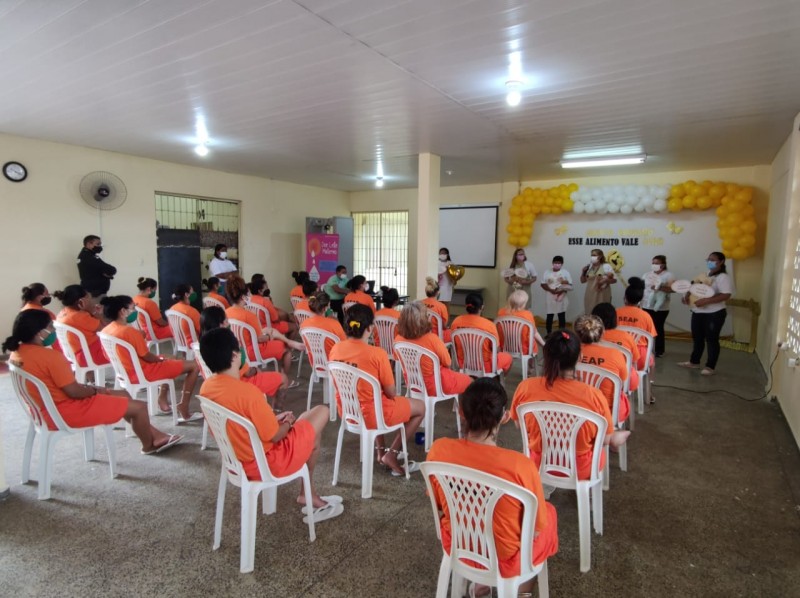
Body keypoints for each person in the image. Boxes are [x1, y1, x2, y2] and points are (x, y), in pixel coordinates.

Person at [427, 378, 558, 594]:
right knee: (549, 514)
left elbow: (439, 504)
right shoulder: (520, 466)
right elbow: (535, 529)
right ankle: (521, 592)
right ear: (504, 417)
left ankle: (481, 584)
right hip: (505, 554)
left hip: (459, 542)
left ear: (461, 412)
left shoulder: (438, 450)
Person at [199, 327, 343, 522]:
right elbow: (275, 436)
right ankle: (307, 493)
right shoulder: (248, 393)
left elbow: (242, 424)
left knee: (310, 428)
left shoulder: (207, 388)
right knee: (321, 412)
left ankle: (308, 493)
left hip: (237, 461)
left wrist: (274, 420)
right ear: (234, 355)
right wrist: (288, 423)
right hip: (268, 462)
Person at [4, 310, 182, 454]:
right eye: (50, 327)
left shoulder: (17, 353)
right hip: (65, 411)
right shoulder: (50, 357)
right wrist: (96, 390)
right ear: (39, 332)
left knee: (124, 394)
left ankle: (155, 435)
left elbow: (68, 388)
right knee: (140, 407)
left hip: (44, 410)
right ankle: (149, 446)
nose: (53, 330)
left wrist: (94, 389)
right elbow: (74, 392)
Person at [510, 330, 629, 480]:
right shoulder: (594, 395)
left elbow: (518, 425)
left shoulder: (525, 387)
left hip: (537, 463)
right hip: (581, 468)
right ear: (579, 357)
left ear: (545, 356)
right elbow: (605, 441)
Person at [329, 304, 425, 476]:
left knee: (372, 399)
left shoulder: (335, 349)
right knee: (420, 407)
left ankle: (381, 452)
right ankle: (391, 454)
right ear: (369, 328)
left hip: (348, 412)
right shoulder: (377, 354)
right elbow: (391, 393)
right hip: (374, 414)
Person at [100, 295, 202, 422]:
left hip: (126, 372)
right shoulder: (129, 332)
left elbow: (107, 356)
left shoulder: (105, 331)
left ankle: (162, 399)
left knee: (169, 357)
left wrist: (163, 359)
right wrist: (161, 360)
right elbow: (147, 356)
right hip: (144, 372)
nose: (135, 311)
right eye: (133, 308)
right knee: (194, 365)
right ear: (123, 311)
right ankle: (184, 406)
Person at [200, 306, 289, 408]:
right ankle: (277, 412)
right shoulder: (229, 345)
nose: (228, 323)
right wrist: (255, 370)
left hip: (217, 384)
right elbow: (247, 372)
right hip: (239, 384)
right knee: (283, 379)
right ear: (221, 324)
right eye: (226, 320)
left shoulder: (201, 345)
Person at [225, 275, 303, 387]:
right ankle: (285, 380)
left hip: (237, 351)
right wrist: (270, 335)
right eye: (248, 293)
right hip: (252, 351)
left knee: (273, 334)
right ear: (243, 296)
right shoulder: (249, 315)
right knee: (286, 350)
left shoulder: (226, 312)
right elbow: (260, 339)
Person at [394, 302, 471, 397]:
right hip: (435, 385)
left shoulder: (398, 340)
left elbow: (397, 359)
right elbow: (448, 362)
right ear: (423, 320)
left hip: (413, 385)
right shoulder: (432, 339)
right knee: (471, 381)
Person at [679, 251, 734, 375]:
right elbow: (694, 287)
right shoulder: (705, 274)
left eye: (713, 260)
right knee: (697, 338)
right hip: (698, 311)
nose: (709, 262)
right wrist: (687, 296)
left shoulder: (723, 277)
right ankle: (694, 362)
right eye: (708, 259)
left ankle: (710, 366)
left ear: (721, 262)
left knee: (711, 339)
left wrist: (707, 301)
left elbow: (726, 295)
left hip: (714, 313)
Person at [573, 314, 631, 424]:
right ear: (602, 332)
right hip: (608, 412)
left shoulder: (569, 353)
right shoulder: (615, 354)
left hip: (575, 409)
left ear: (576, 333)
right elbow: (622, 383)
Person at [450, 293, 512, 375]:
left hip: (462, 363)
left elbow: (455, 345)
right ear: (482, 307)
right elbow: (496, 350)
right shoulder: (489, 325)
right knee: (509, 358)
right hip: (486, 366)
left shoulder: (456, 322)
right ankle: (497, 380)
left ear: (466, 306)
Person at [592, 303, 640, 395]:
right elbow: (634, 361)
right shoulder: (626, 337)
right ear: (615, 319)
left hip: (589, 385)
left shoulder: (587, 339)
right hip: (619, 384)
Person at [55, 285, 109, 367]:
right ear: (81, 301)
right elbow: (106, 329)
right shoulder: (79, 316)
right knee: (123, 349)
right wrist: (92, 310)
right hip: (89, 355)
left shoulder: (63, 313)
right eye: (88, 298)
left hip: (75, 354)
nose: (90, 301)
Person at [616, 278, 657, 370]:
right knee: (651, 363)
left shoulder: (615, 313)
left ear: (625, 297)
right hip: (640, 357)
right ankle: (645, 378)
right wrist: (651, 355)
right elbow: (651, 339)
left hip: (618, 353)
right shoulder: (646, 316)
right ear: (640, 299)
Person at [496, 290, 545, 363]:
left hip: (504, 347)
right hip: (524, 349)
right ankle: (531, 366)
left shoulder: (501, 312)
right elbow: (534, 332)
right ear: (523, 305)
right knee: (532, 337)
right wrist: (543, 344)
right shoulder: (527, 314)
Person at [642, 255, 675, 357]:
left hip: (661, 308)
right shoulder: (647, 274)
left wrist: (660, 287)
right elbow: (642, 288)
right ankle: (645, 349)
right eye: (653, 263)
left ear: (663, 265)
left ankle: (659, 351)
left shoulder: (669, 275)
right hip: (646, 305)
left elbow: (673, 289)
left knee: (658, 328)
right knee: (645, 328)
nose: (654, 265)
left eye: (657, 263)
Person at [299, 291, 346, 361]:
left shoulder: (304, 324)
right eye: (329, 305)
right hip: (334, 362)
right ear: (325, 308)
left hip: (316, 361)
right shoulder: (334, 324)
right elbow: (344, 344)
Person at [540, 256, 573, 335]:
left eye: (559, 263)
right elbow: (542, 284)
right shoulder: (547, 272)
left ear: (562, 264)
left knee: (561, 315)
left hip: (561, 296)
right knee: (549, 314)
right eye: (555, 263)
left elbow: (570, 284)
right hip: (550, 296)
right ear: (552, 263)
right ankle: (549, 333)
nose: (557, 264)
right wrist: (550, 290)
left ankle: (562, 334)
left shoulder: (565, 272)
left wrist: (561, 290)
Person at [580, 249, 616, 314]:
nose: (592, 257)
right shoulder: (589, 266)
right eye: (591, 255)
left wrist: (605, 280)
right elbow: (582, 281)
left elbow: (614, 280)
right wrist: (583, 272)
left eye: (594, 255)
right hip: (590, 294)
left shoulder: (606, 266)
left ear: (600, 256)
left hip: (602, 294)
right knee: (590, 312)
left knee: (602, 312)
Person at [421, 276, 451, 342]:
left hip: (421, 333)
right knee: (451, 332)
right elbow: (444, 326)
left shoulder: (419, 303)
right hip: (436, 335)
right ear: (437, 292)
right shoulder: (441, 306)